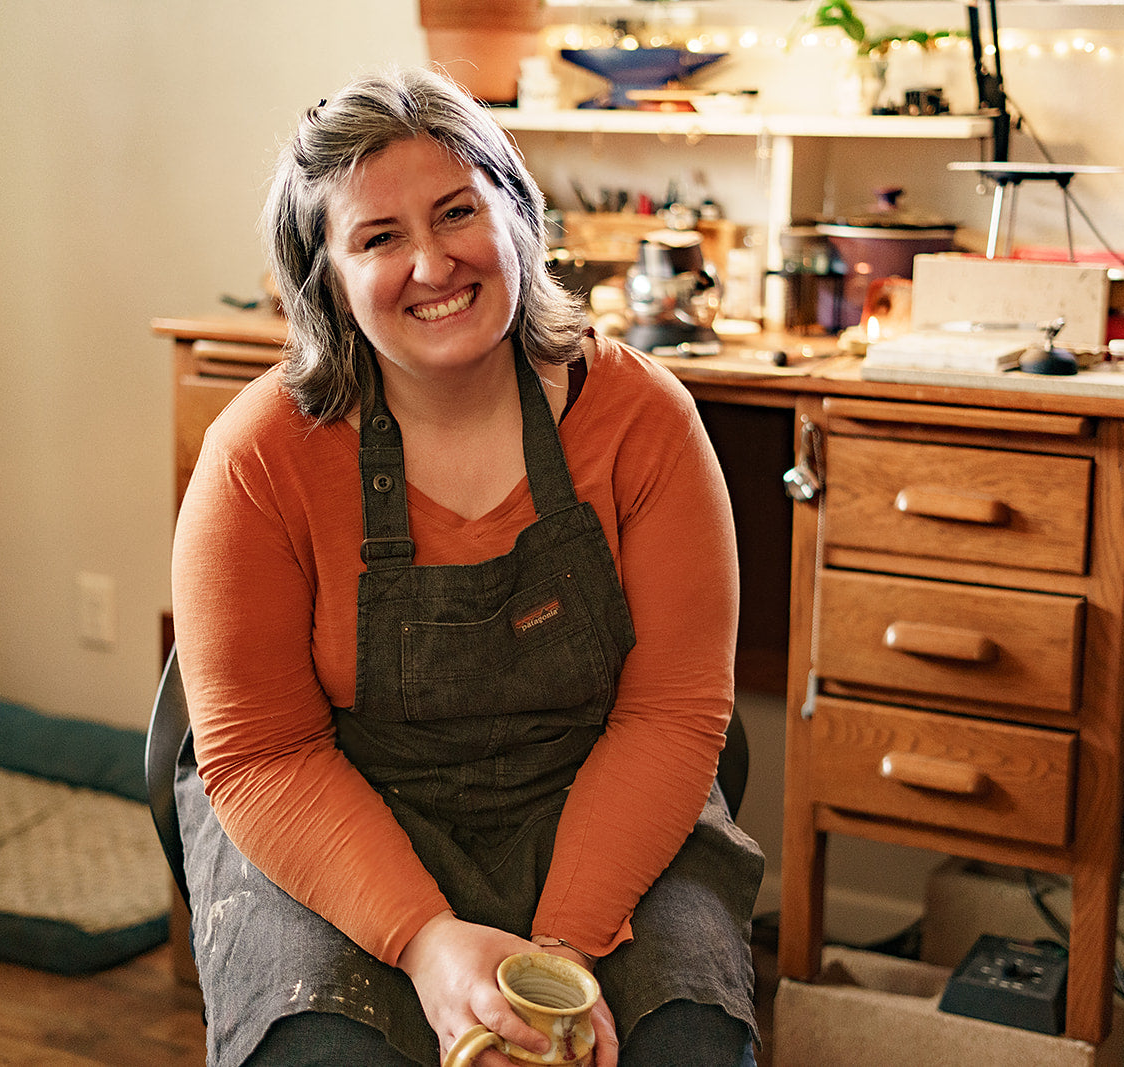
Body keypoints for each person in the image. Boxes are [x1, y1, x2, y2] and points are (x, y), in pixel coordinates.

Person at [170, 65, 764, 1067]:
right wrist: (427, 941)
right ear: (325, 280)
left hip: (592, 792)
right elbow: (263, 753)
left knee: (685, 1043)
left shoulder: (644, 420)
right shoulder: (258, 458)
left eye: (457, 212)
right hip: (340, 806)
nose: (433, 263)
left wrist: (559, 956)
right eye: (378, 238)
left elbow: (670, 714)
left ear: (518, 217)